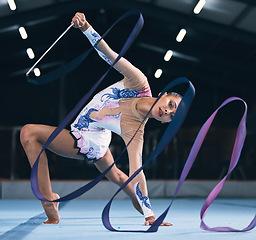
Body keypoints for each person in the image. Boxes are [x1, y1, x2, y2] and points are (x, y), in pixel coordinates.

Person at [20, 12, 181, 226]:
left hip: (90, 138)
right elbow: (109, 55)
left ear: (165, 123)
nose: (167, 112)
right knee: (117, 176)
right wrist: (86, 27)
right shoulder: (138, 82)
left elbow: (137, 171)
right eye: (170, 104)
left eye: (171, 116)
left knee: (29, 133)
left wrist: (150, 216)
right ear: (163, 94)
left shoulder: (135, 129)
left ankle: (49, 202)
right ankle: (140, 204)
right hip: (98, 133)